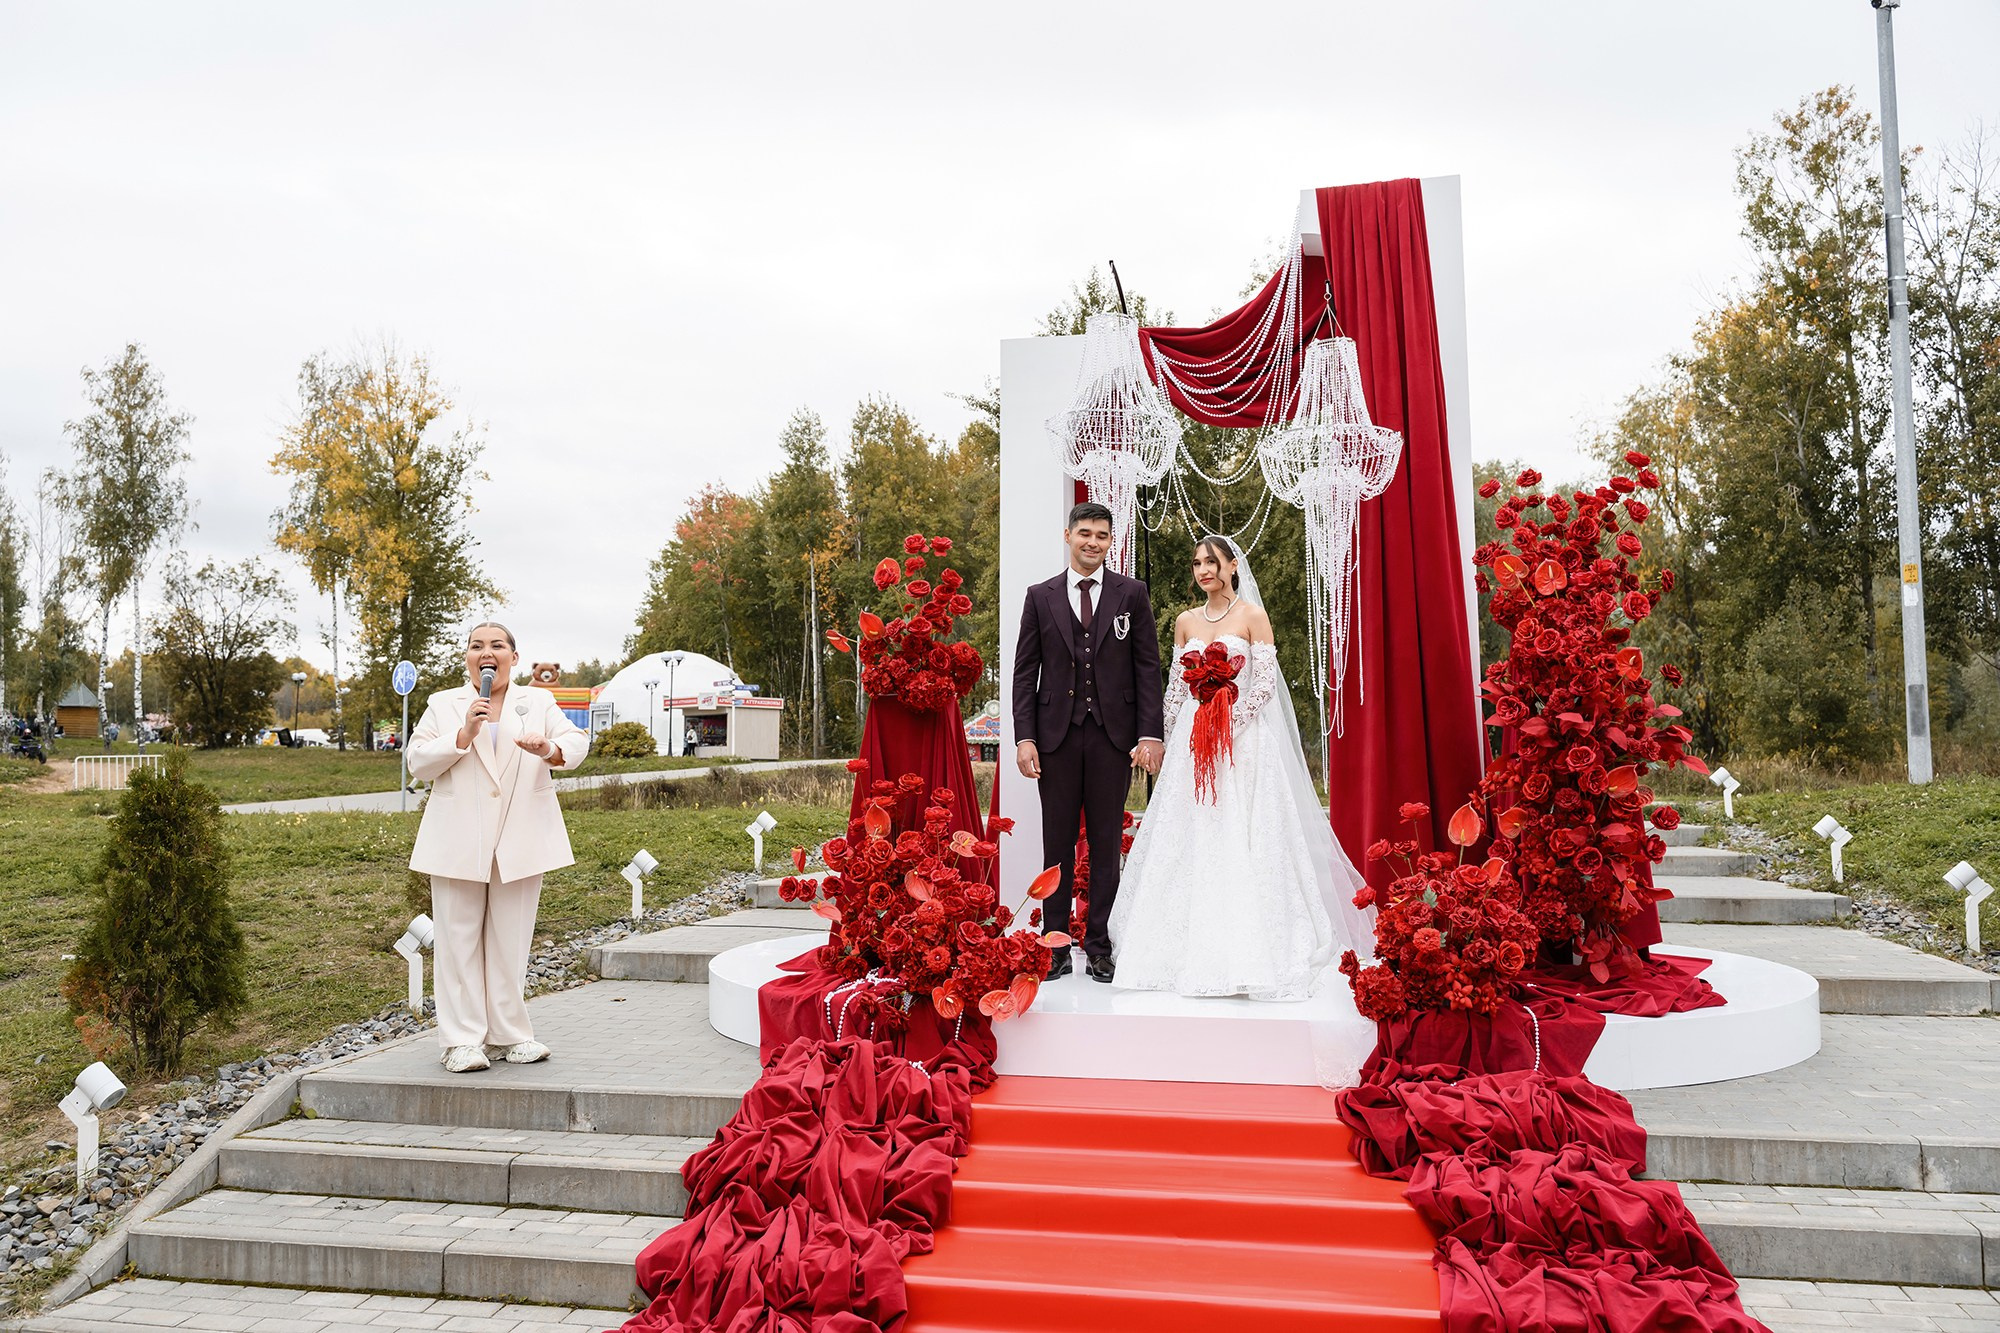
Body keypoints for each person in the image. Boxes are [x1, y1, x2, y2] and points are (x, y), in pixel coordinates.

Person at [1108, 535, 1376, 1004]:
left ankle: (1253, 951)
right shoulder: (1186, 620)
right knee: (1189, 835)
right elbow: (1173, 689)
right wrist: (1164, 740)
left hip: (1243, 743)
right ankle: (1179, 948)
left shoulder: (1252, 616)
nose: (1203, 570)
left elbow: (1266, 685)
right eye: (1196, 563)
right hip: (1193, 743)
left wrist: (1227, 723)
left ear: (1233, 566)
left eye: (1212, 562)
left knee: (1246, 837)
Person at [407, 622, 588, 1073]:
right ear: (467, 658)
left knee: (511, 940)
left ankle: (509, 1034)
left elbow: (576, 743)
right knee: (457, 941)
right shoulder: (443, 704)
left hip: (521, 838)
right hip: (457, 841)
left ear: (514, 656)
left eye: (497, 645)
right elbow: (416, 762)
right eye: (477, 646)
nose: (487, 653)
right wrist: (461, 737)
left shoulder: (539, 701)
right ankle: (461, 1041)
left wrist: (548, 748)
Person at [1012, 502, 1164, 984]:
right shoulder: (1040, 596)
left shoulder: (1131, 593)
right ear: (1068, 535)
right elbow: (1024, 673)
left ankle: (1099, 944)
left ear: (1109, 540)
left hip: (1111, 737)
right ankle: (1056, 944)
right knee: (1056, 844)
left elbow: (1147, 668)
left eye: (1102, 534)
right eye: (1085, 533)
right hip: (1054, 737)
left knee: (1104, 843)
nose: (1093, 542)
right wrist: (1025, 737)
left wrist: (1149, 733)